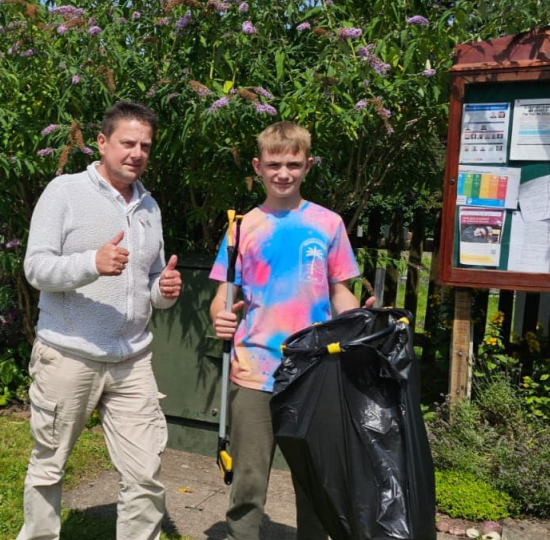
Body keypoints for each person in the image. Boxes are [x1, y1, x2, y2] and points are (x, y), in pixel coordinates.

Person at [19, 101, 182, 540]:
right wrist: (92, 262)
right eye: (128, 143)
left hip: (132, 359)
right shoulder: (64, 192)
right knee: (50, 465)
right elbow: (36, 269)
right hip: (69, 354)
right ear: (102, 142)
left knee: (146, 473)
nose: (137, 153)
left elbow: (147, 281)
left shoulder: (149, 206)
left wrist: (162, 292)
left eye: (145, 145)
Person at [209, 121, 373, 540]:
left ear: (308, 165)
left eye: (293, 164)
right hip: (254, 370)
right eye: (274, 164)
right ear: (257, 167)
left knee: (316, 481)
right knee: (247, 479)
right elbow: (223, 295)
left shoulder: (328, 223)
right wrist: (218, 315)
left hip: (315, 374)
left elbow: (340, 293)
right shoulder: (242, 227)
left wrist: (360, 323)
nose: (284, 173)